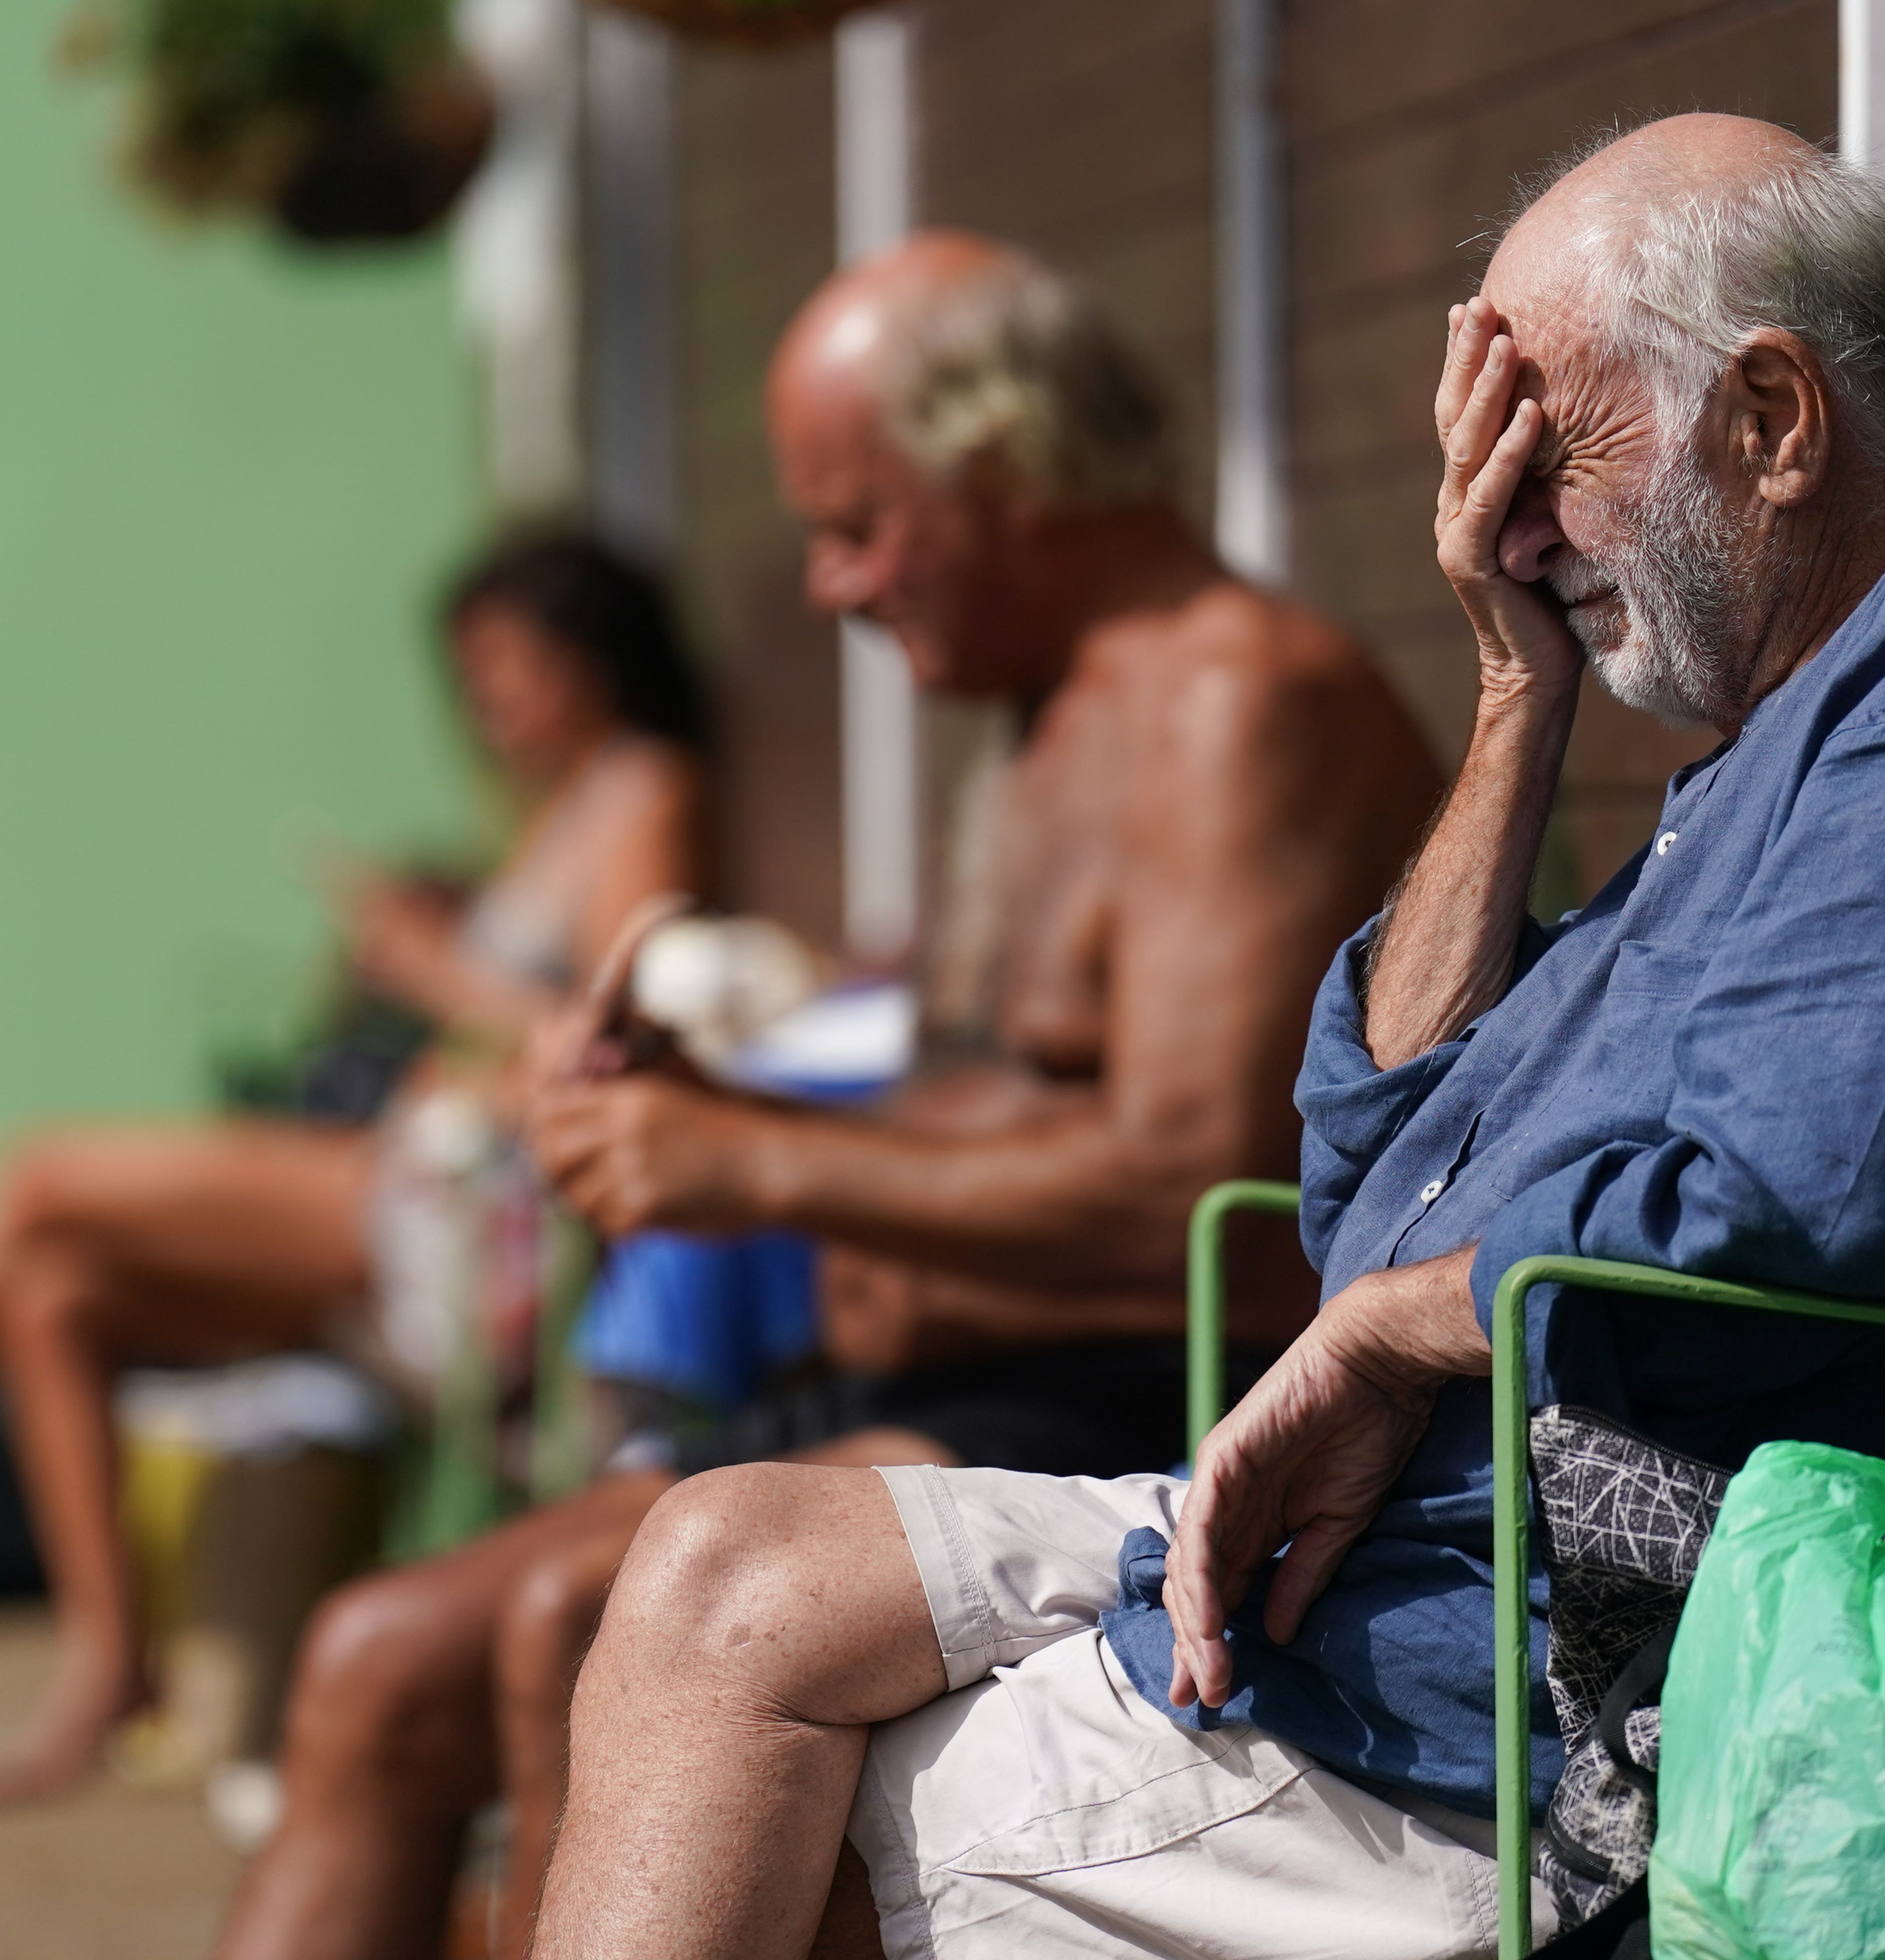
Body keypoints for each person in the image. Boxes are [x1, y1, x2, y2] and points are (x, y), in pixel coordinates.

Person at [513, 115, 1885, 1960]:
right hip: (1416, 1568)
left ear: (1776, 423)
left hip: (1598, 1667)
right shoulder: (1779, 739)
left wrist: (1396, 1329)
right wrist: (1508, 694)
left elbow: (1795, 1211)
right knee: (712, 1573)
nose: (1508, 520)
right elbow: (1369, 1157)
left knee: (774, 1848)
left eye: (1550, 451)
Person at [209, 232, 1445, 1960]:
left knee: (569, 1619)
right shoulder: (1059, 709)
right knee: (370, 1663)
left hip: (1145, 1423)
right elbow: (1006, 1095)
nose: (826, 587)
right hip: (953, 1391)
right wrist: (714, 1101)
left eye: (855, 524)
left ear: (1003, 468)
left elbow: (1206, 1204)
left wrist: (754, 1162)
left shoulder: (1237, 702)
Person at [0, 529, 704, 1802]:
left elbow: (620, 1039)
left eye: (510, 667)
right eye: (471, 675)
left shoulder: (650, 789)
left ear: (595, 655)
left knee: (37, 1175)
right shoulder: (567, 806)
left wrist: (437, 970)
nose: (488, 703)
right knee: (52, 1294)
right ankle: (104, 1676)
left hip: (465, 1220)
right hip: (416, 1189)